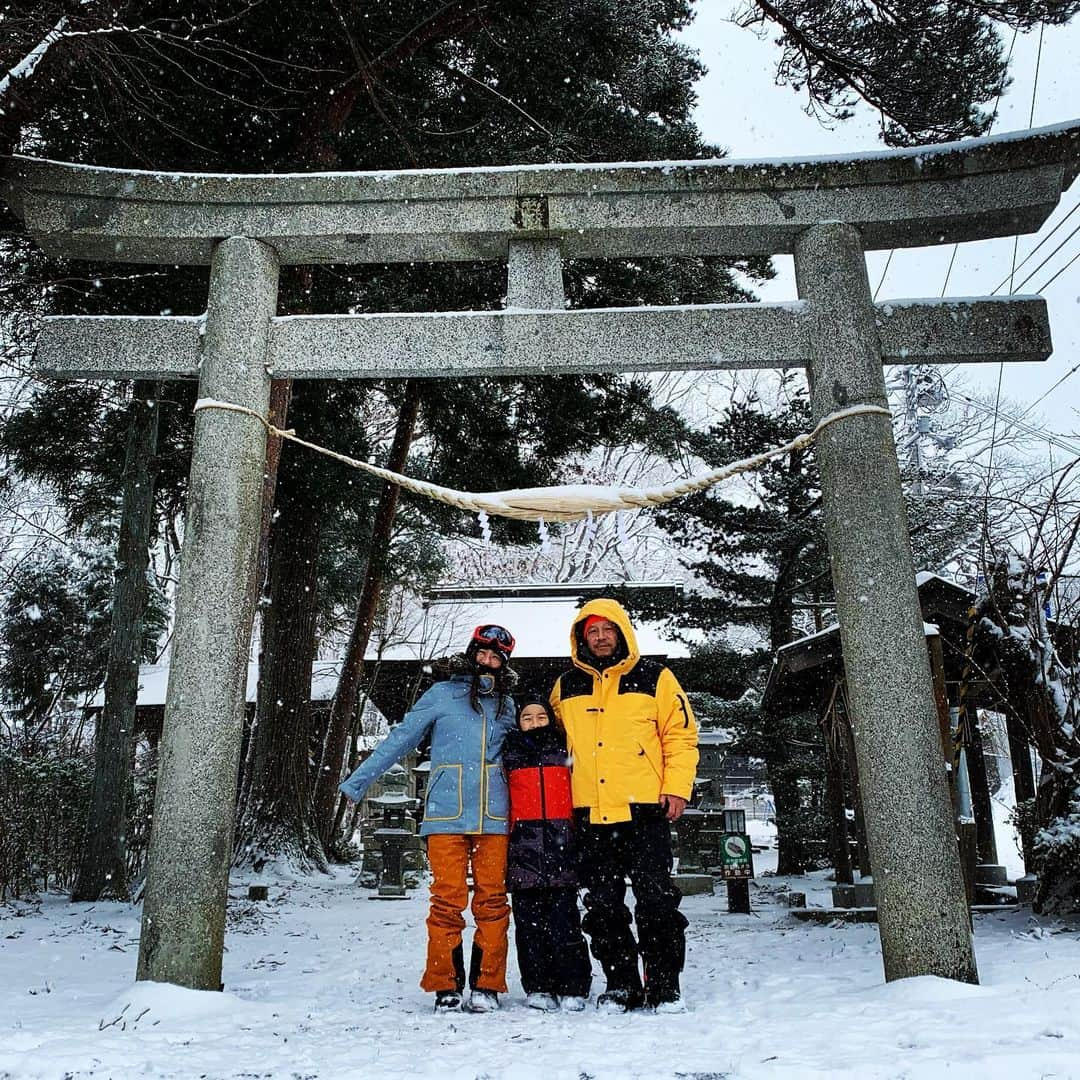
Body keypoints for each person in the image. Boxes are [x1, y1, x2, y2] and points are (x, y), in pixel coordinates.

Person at [339, 624, 517, 1014]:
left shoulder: (507, 705)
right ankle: (445, 984)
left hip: (495, 815)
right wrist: (357, 784)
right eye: (483, 653)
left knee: (493, 902)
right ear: (472, 653)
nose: (488, 662)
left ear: (504, 663)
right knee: (446, 901)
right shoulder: (440, 695)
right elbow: (399, 739)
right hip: (446, 814)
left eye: (496, 657)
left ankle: (487, 984)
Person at [550, 598, 699, 1013]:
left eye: (607, 629)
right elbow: (554, 743)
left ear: (622, 632)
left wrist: (677, 788)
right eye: (592, 631)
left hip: (643, 810)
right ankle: (621, 984)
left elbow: (681, 736)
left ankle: (664, 983)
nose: (600, 638)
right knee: (601, 905)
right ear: (581, 638)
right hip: (589, 813)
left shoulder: (656, 677)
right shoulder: (566, 686)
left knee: (657, 901)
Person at [502, 695, 592, 1012]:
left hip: (561, 842)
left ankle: (573, 985)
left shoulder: (564, 748)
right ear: (517, 721)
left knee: (565, 921)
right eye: (527, 717)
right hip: (522, 845)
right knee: (529, 925)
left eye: (541, 716)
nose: (535, 722)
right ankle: (538, 986)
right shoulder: (509, 753)